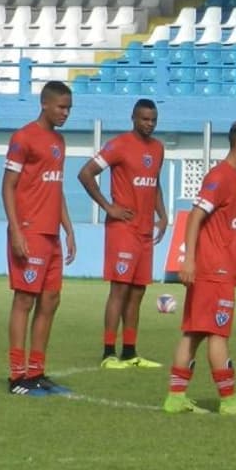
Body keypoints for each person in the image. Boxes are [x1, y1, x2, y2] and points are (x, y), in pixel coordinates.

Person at [162, 119, 236, 415]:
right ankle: (229, 399)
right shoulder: (220, 177)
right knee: (217, 334)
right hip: (213, 271)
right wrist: (188, 258)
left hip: (218, 271)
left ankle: (175, 398)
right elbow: (194, 217)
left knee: (194, 333)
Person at [78, 99, 167, 370]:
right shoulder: (118, 145)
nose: (149, 124)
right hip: (123, 229)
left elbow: (155, 183)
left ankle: (130, 352)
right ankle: (108, 353)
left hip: (144, 230)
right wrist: (109, 207)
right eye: (144, 119)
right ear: (133, 118)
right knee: (120, 288)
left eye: (153, 119)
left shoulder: (158, 148)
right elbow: (86, 174)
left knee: (138, 291)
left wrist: (162, 215)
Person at [2, 80, 76, 396]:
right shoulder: (23, 138)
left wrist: (69, 229)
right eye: (61, 106)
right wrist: (17, 230)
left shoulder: (59, 141)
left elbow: (55, 189)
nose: (65, 113)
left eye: (69, 108)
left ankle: (37, 372)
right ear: (44, 103)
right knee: (24, 300)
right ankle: (17, 376)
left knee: (50, 300)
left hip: (52, 234)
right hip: (29, 230)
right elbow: (7, 186)